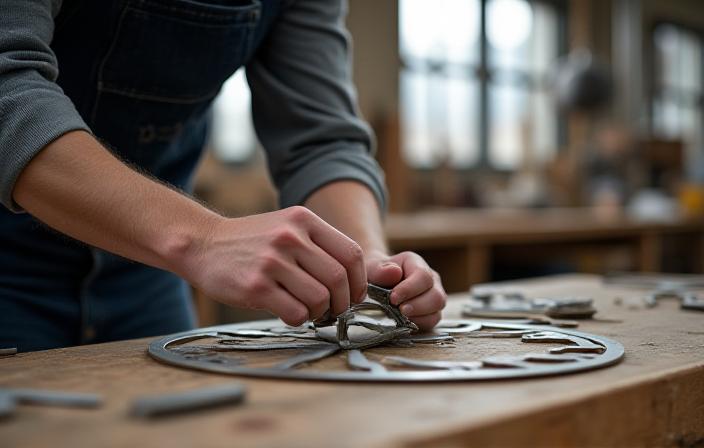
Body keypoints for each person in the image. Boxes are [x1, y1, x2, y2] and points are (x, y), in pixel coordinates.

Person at [0, 0, 446, 352]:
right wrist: (203, 239)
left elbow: (322, 139)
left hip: (145, 276)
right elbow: (9, 92)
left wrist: (364, 261)